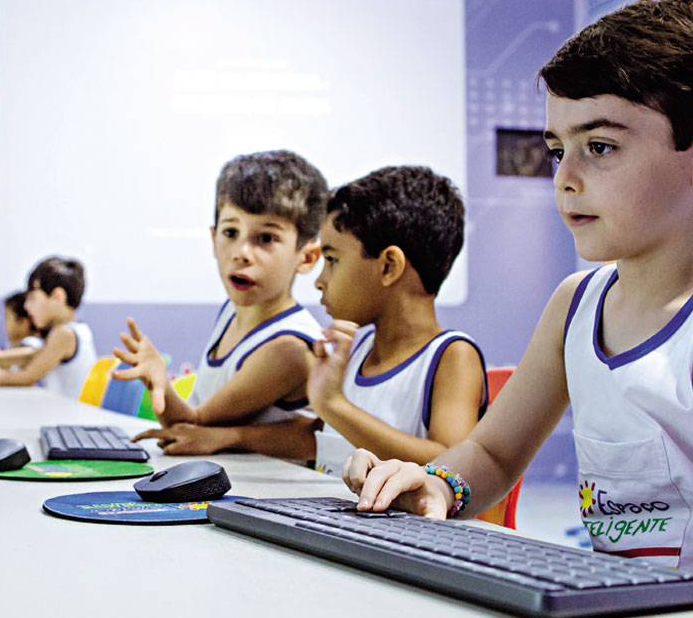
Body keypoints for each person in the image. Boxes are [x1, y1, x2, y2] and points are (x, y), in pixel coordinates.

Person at [346, 0, 693, 589]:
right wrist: (436, 487)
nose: (565, 178)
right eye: (558, 150)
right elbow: (492, 455)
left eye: (600, 147)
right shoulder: (575, 306)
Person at [141, 166, 488, 471]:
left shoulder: (452, 357)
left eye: (332, 260)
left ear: (388, 266)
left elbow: (452, 464)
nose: (320, 281)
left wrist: (333, 404)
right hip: (331, 517)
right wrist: (226, 438)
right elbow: (318, 437)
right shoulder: (359, 349)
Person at [114, 149, 327, 429]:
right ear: (214, 239)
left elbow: (193, 428)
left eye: (266, 238)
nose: (242, 253)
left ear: (307, 257)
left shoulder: (289, 348)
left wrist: (159, 379)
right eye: (230, 233)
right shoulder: (232, 310)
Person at [0, 257, 97, 396]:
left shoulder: (64, 334)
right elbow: (32, 356)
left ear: (57, 297)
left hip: (70, 411)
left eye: (32, 298)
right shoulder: (77, 331)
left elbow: (26, 377)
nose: (27, 306)